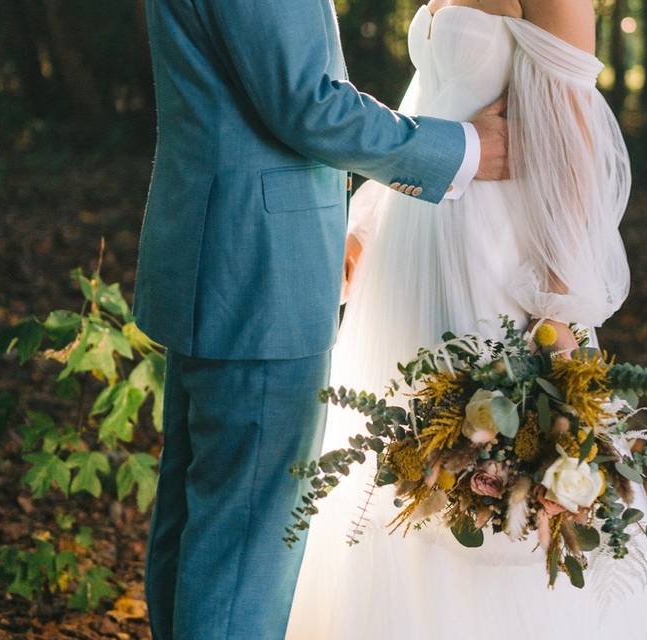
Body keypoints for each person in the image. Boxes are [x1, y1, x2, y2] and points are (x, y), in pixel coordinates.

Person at [286, 1, 647, 638]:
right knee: (402, 466)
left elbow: (572, 150)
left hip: (494, 258)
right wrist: (369, 220)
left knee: (492, 471)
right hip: (415, 246)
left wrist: (559, 316)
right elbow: (430, 102)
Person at [133, 1, 509, 638]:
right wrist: (464, 149)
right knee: (245, 534)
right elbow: (306, 103)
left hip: (222, 249)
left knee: (203, 516)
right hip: (258, 267)